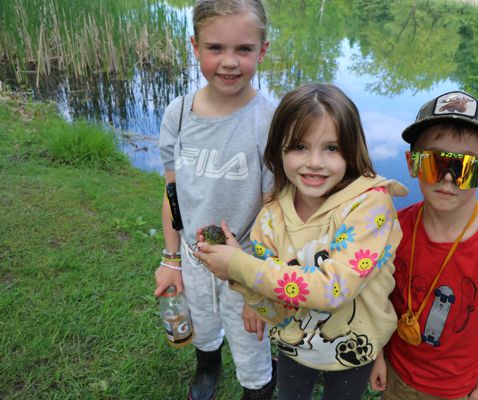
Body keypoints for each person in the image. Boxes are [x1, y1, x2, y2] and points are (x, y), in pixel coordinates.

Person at [192, 82, 409, 400]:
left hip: (354, 349)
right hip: (295, 348)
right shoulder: (270, 218)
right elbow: (277, 310)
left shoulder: (370, 205)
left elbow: (334, 288)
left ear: (353, 149)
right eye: (299, 147)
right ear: (278, 150)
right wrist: (238, 275)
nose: (315, 162)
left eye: (331, 148)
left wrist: (240, 265)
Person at [369, 91, 478, 400]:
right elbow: (378, 297)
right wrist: (377, 356)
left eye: (465, 168)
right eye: (434, 162)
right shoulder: (394, 228)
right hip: (396, 372)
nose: (447, 178)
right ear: (411, 164)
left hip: (455, 388)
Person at [154, 1, 276, 399]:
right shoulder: (178, 114)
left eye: (243, 49)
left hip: (245, 262)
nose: (229, 62)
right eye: (215, 48)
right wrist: (171, 259)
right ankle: (207, 367)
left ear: (262, 50)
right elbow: (172, 194)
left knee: (251, 347)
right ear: (195, 47)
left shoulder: (269, 121)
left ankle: (257, 386)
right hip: (192, 256)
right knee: (203, 325)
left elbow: (274, 210)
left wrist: (258, 283)